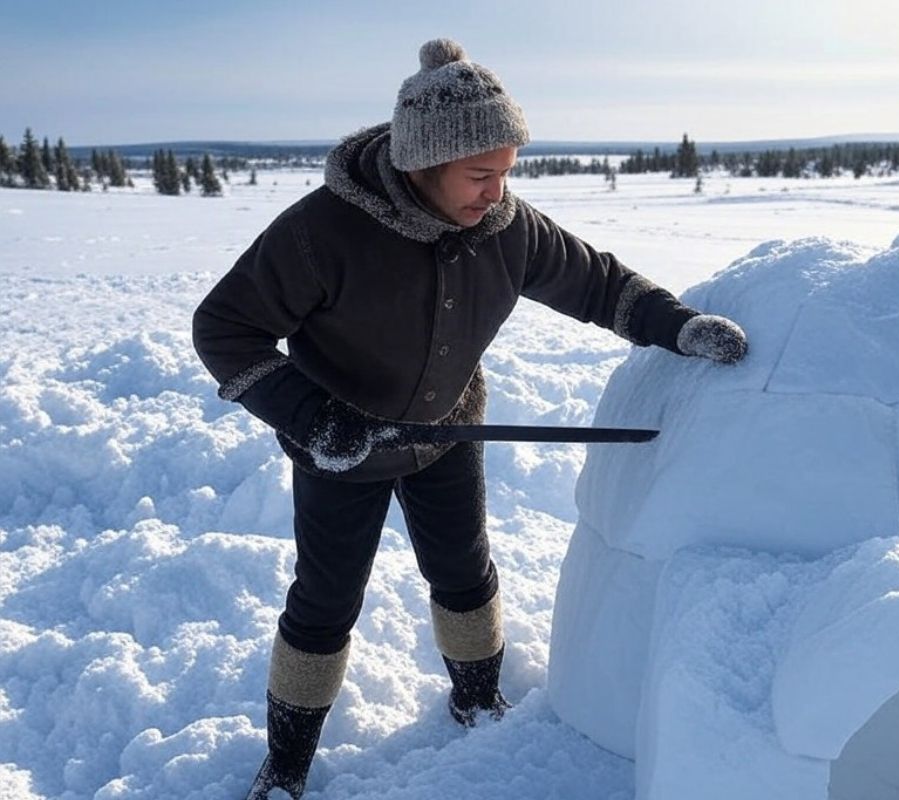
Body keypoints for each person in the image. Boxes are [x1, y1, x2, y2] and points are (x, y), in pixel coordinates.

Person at [192, 38, 747, 800]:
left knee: (464, 573)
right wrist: (316, 419)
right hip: (341, 449)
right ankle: (285, 765)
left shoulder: (505, 228)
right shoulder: (321, 232)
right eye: (479, 175)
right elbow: (223, 328)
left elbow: (599, 284)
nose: (497, 193)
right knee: (325, 602)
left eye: (506, 173)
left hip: (447, 435)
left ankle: (479, 698)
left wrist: (677, 326)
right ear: (422, 165)